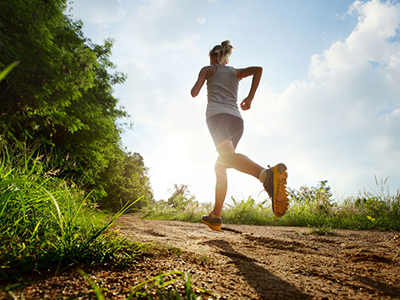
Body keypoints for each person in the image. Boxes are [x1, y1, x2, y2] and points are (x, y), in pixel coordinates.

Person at [191, 40, 289, 231]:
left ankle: (266, 175)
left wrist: (203, 78)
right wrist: (250, 97)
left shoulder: (207, 69)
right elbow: (258, 69)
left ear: (212, 57)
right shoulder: (235, 72)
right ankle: (215, 216)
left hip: (217, 117)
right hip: (236, 120)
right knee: (221, 165)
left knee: (227, 158)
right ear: (226, 60)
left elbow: (194, 92)